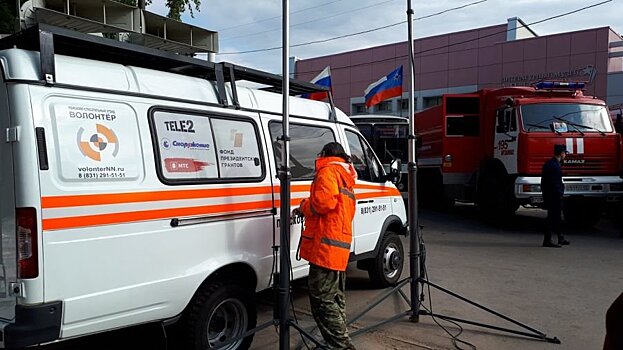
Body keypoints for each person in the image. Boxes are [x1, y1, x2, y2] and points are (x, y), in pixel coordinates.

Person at [293, 142, 358, 350]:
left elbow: (324, 203)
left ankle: (341, 346)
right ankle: (338, 341)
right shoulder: (344, 175)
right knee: (335, 299)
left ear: (326, 154)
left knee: (322, 300)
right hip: (338, 247)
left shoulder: (328, 171)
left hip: (325, 248)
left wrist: (304, 207)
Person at [540, 144, 570, 248]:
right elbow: (554, 183)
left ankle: (560, 237)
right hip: (554, 196)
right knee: (552, 218)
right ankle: (547, 240)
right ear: (562, 154)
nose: (565, 155)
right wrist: (559, 194)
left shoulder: (550, 164)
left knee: (556, 217)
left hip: (550, 195)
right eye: (565, 153)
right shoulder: (555, 166)